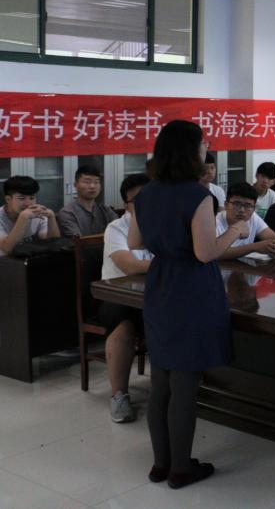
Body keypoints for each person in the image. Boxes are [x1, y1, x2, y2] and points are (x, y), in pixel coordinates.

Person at [128, 120, 238, 488]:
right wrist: (235, 231)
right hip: (192, 288)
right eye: (203, 143)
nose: (207, 147)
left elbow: (134, 241)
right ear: (190, 150)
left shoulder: (145, 194)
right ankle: (181, 469)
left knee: (161, 380)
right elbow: (205, 252)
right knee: (186, 383)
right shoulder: (198, 194)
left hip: (161, 285)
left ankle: (161, 464)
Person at [100, 173, 154, 423]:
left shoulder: (164, 224)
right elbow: (129, 266)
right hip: (117, 296)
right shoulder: (116, 228)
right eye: (138, 201)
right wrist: (171, 264)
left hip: (155, 294)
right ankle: (119, 395)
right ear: (126, 205)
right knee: (125, 326)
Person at [216, 183, 275, 259]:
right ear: (226, 205)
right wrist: (254, 247)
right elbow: (216, 253)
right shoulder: (215, 221)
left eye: (248, 205)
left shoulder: (253, 218)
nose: (242, 210)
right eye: (237, 204)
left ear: (254, 208)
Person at [0, 176, 58, 256]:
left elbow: (52, 243)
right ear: (8, 199)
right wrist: (23, 218)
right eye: (22, 198)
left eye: (32, 198)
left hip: (28, 259)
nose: (28, 203)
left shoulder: (36, 212)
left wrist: (51, 217)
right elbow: (6, 249)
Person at [57, 164, 118, 237]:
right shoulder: (67, 213)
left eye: (96, 182)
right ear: (75, 185)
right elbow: (78, 241)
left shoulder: (105, 210)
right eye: (87, 182)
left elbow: (119, 231)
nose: (92, 186)